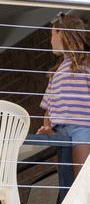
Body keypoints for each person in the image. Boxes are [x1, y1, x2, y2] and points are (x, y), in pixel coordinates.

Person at [37, 13, 90, 183]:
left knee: (83, 180)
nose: (51, 41)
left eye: (53, 34)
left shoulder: (85, 64)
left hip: (83, 128)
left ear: (64, 34)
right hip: (60, 132)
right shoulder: (55, 73)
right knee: (67, 182)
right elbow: (48, 107)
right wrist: (48, 128)